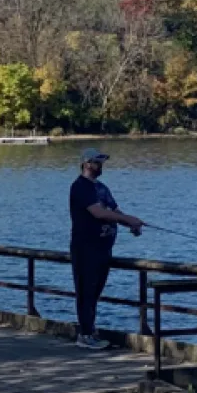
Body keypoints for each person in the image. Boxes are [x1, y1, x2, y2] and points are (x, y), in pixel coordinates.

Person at [69, 147, 145, 349]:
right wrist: (125, 219)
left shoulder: (102, 188)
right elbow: (98, 213)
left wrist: (131, 223)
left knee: (96, 292)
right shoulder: (80, 187)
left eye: (101, 162)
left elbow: (114, 211)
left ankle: (91, 330)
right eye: (96, 162)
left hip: (104, 249)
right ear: (86, 164)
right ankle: (84, 335)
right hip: (85, 248)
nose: (100, 166)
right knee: (86, 291)